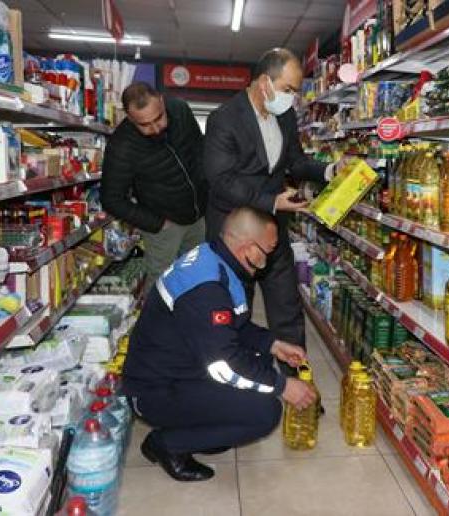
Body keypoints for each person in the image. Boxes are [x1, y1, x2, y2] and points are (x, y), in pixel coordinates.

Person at [122, 207, 318, 482]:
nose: (270, 257)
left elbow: (231, 327)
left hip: (179, 365)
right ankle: (167, 444)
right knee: (265, 412)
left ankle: (204, 427)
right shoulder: (207, 288)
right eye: (268, 250)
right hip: (154, 390)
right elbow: (224, 365)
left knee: (260, 358)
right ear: (248, 247)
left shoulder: (214, 258)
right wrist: (283, 386)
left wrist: (273, 344)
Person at [203, 48, 342, 363]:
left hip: (273, 230)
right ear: (264, 82)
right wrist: (272, 200)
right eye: (288, 89)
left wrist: (329, 171)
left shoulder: (285, 115)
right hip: (234, 232)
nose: (291, 98)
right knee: (235, 306)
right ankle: (237, 376)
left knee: (288, 307)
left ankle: (298, 382)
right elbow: (221, 180)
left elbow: (294, 161)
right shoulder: (223, 119)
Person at [101, 82, 207, 293]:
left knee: (198, 276)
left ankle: (192, 323)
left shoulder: (180, 109)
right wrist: (157, 223)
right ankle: (158, 326)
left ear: (161, 100)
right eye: (145, 124)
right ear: (130, 118)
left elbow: (200, 149)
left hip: (200, 216)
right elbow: (111, 198)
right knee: (161, 284)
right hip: (164, 226)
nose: (155, 128)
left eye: (158, 118)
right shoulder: (122, 146)